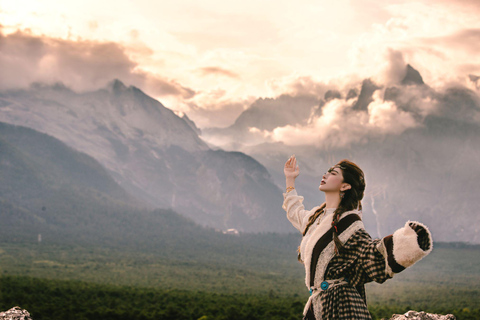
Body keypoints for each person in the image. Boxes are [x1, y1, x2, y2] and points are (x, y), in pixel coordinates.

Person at [283, 155, 432, 320]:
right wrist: (290, 179)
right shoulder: (316, 218)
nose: (325, 175)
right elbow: (295, 211)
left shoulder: (350, 225)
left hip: (341, 308)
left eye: (333, 173)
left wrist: (410, 240)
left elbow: (371, 254)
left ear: (345, 185)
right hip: (318, 306)